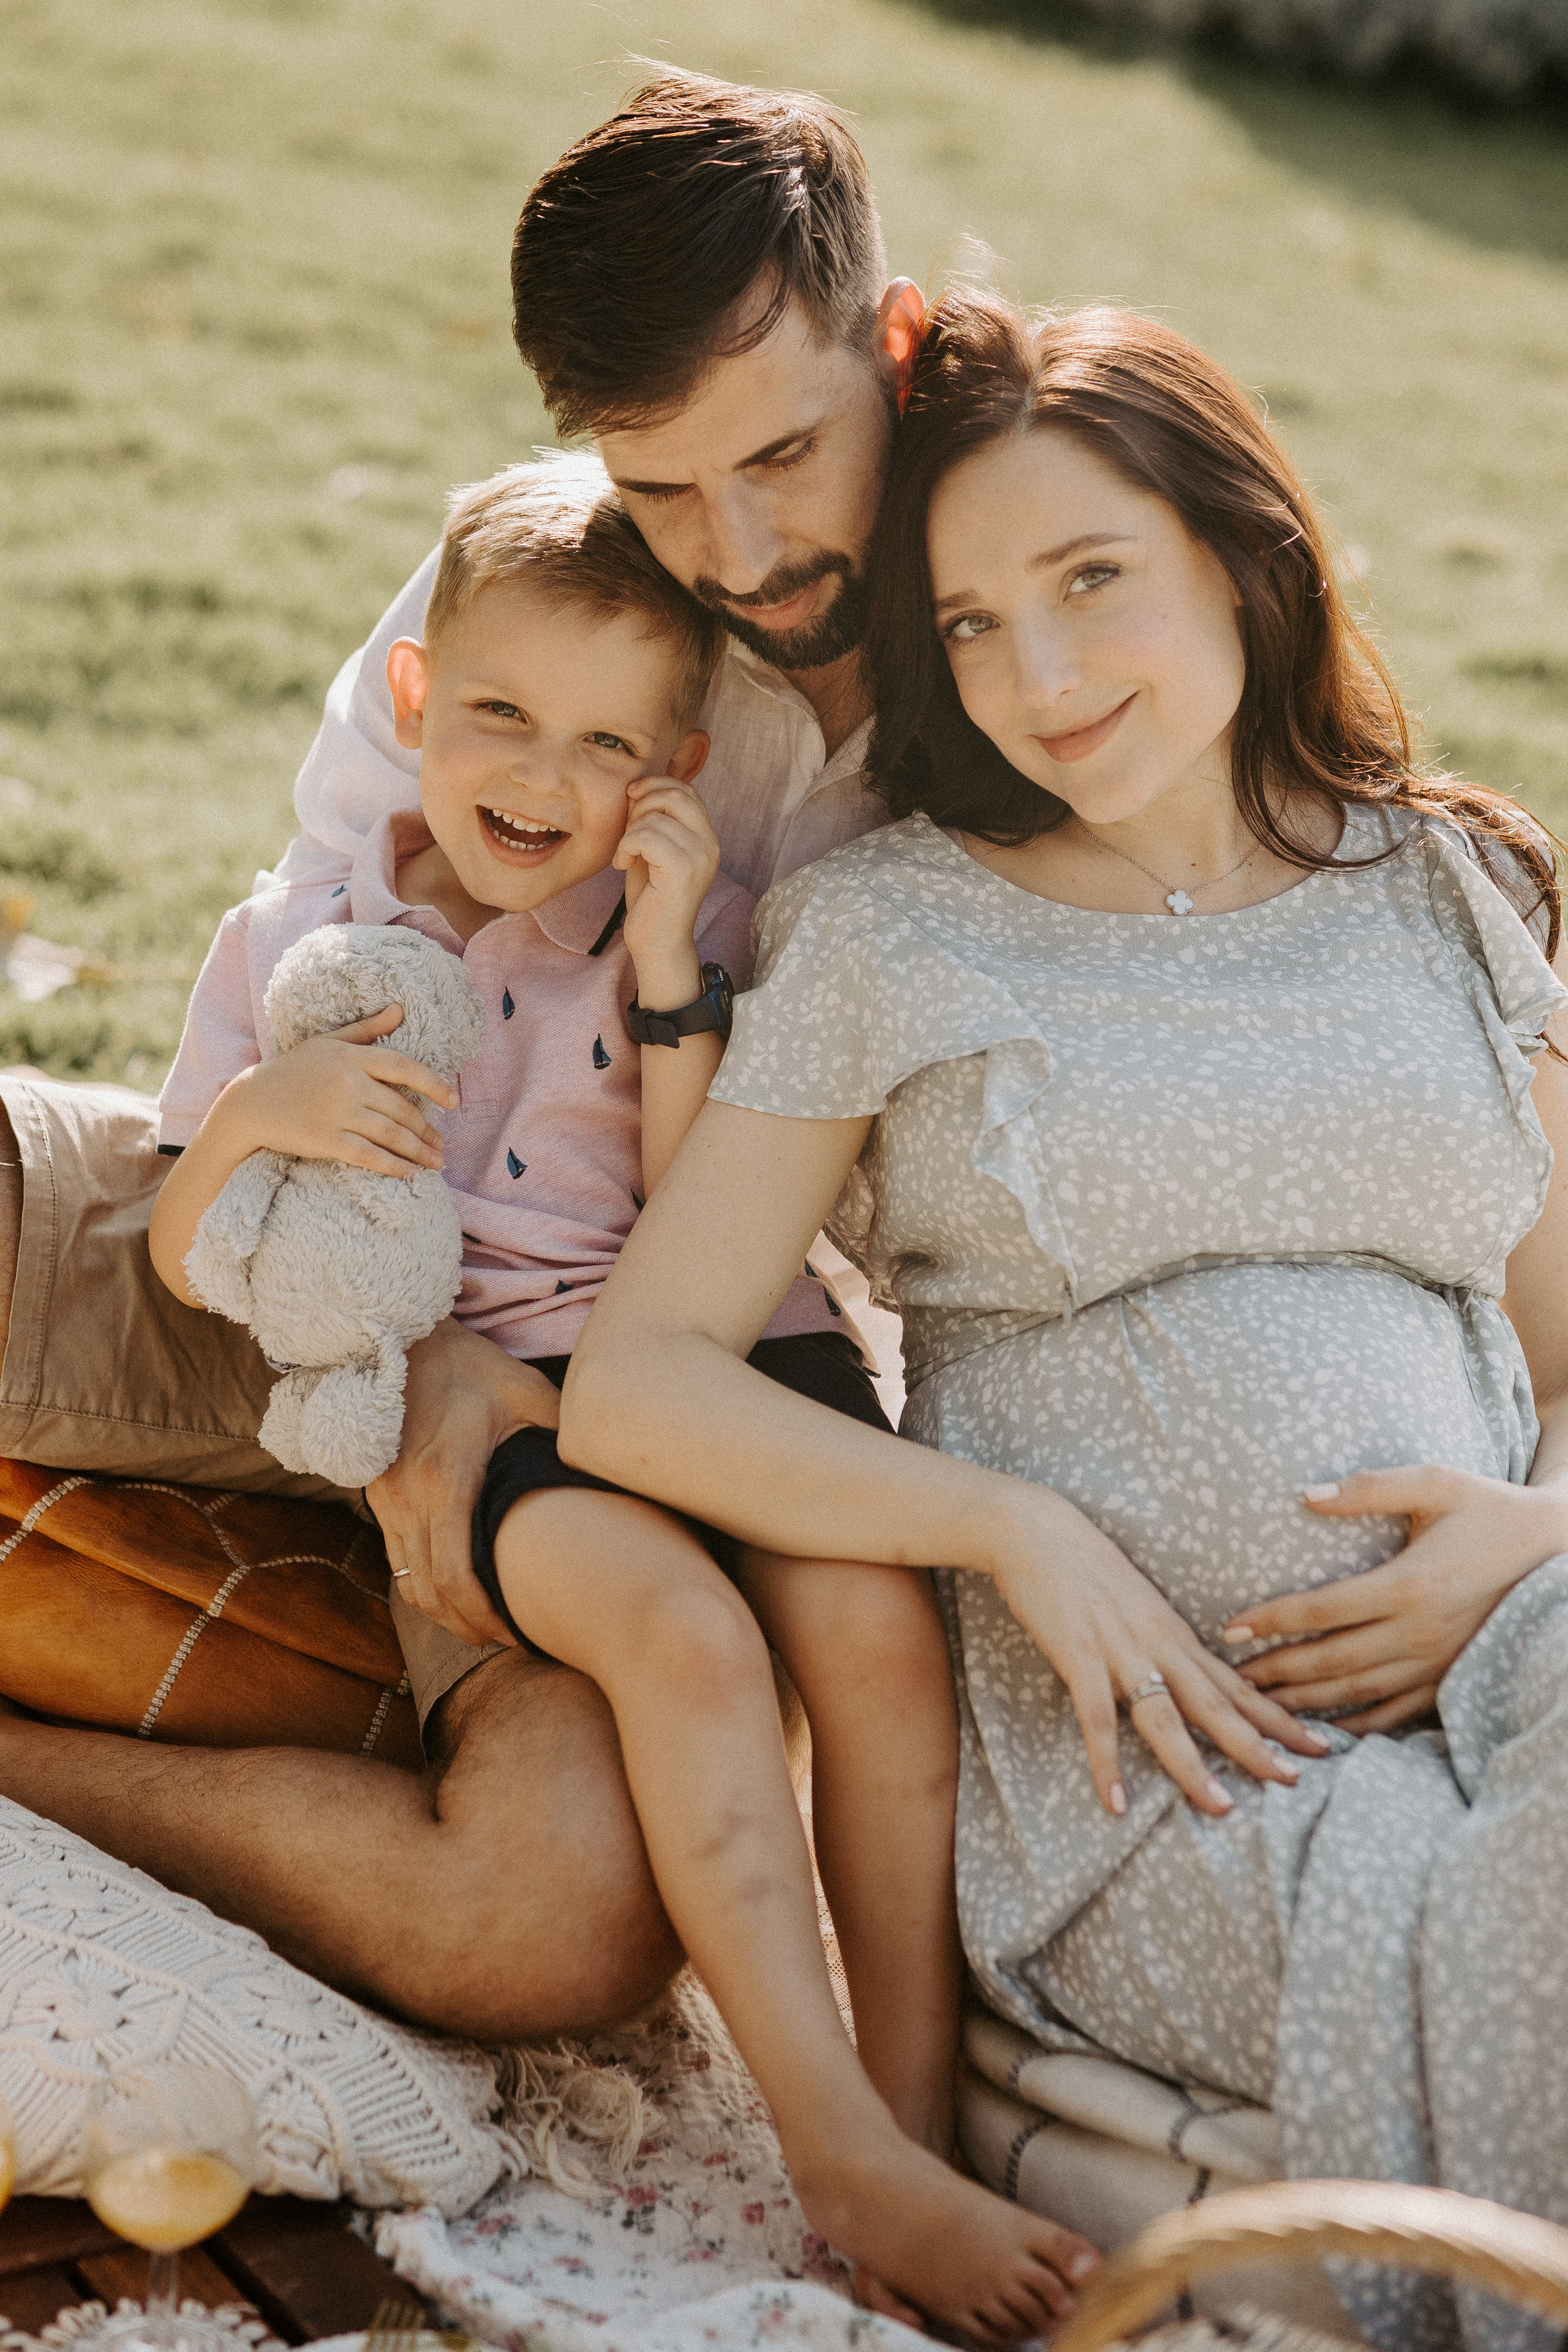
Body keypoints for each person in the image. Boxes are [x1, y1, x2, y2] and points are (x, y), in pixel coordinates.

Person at [559, 292, 1568, 2352]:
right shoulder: (890, 923)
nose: (1040, 674)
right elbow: (638, 1389)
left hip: (1518, 1639)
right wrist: (1005, 1528)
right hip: (1166, 1758)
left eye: (1089, 581)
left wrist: (1529, 1540)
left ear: (1242, 551)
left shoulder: (1445, 888)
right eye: (970, 627)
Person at [0, 70, 953, 2051]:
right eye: (660, 478)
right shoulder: (544, 592)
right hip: (317, 1237)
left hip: (618, 1395)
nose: (736, 548)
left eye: (783, 449)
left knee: (556, 1928)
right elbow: (313, 962)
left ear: (898, 344)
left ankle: (50, 1775)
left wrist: (538, 1392)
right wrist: (413, 1344)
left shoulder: (1026, 652)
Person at [142, 452, 1079, 2336]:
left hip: (717, 1328)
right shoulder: (303, 942)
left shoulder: (681, 928)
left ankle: (912, 2121)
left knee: (878, 1623)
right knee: (686, 1639)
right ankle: (830, 2147)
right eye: (498, 715)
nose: (539, 780)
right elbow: (182, 1249)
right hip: (500, 1401)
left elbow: (696, 1218)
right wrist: (258, 1120)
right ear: (418, 697)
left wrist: (667, 969)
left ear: (664, 774)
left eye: (600, 747)